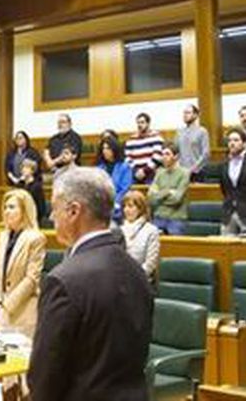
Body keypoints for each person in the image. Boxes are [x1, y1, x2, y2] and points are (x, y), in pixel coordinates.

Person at [27, 167, 153, 401]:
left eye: (55, 209)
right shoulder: (136, 271)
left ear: (74, 211)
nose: (52, 217)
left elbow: (44, 376)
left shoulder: (62, 280)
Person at [0, 189, 46, 339]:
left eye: (12, 207)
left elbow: (31, 279)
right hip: (0, 312)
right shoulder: (3, 236)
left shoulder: (35, 238)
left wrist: (7, 306)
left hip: (23, 313)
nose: (7, 211)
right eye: (5, 207)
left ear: (24, 210)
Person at [148, 145, 189, 235]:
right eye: (162, 154)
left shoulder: (184, 173)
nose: (164, 157)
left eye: (167, 154)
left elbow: (176, 199)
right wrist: (168, 192)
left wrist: (159, 195)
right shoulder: (159, 172)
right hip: (159, 216)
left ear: (176, 156)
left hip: (176, 217)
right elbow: (151, 198)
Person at [5, 131, 46, 220]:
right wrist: (14, 178)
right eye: (17, 138)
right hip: (15, 183)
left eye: (21, 138)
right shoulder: (11, 153)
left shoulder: (36, 187)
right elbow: (7, 168)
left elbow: (40, 208)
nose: (23, 170)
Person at [120, 191, 160, 280]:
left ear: (140, 208)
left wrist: (133, 278)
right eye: (124, 206)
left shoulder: (151, 231)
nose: (126, 210)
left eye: (130, 206)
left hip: (141, 281)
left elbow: (150, 263)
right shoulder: (119, 230)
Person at [95, 136, 132, 223]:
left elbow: (124, 189)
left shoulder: (124, 167)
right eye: (103, 148)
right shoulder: (100, 168)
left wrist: (114, 203)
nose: (105, 151)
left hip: (118, 205)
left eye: (108, 148)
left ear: (114, 149)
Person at [124, 112, 164, 183]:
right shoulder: (131, 139)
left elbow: (157, 157)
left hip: (150, 172)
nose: (139, 125)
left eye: (142, 122)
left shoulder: (156, 137)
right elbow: (127, 157)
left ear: (148, 124)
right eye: (138, 123)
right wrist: (135, 170)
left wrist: (145, 170)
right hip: (135, 172)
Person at [176, 104, 210, 179]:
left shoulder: (202, 131)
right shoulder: (179, 132)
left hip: (197, 173)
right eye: (184, 113)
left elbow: (205, 154)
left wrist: (192, 169)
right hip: (181, 172)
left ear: (195, 115)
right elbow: (176, 152)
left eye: (188, 113)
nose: (185, 115)